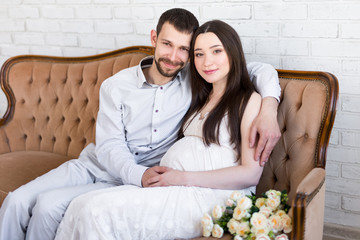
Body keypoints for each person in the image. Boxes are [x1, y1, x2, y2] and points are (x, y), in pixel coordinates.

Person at [0, 8, 280, 240]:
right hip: (99, 166)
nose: (174, 57)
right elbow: (110, 147)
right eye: (168, 44)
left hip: (142, 181)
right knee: (16, 202)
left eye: (184, 49)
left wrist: (269, 105)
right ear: (154, 38)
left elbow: (252, 69)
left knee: (49, 207)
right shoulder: (116, 86)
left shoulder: (194, 82)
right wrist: (140, 176)